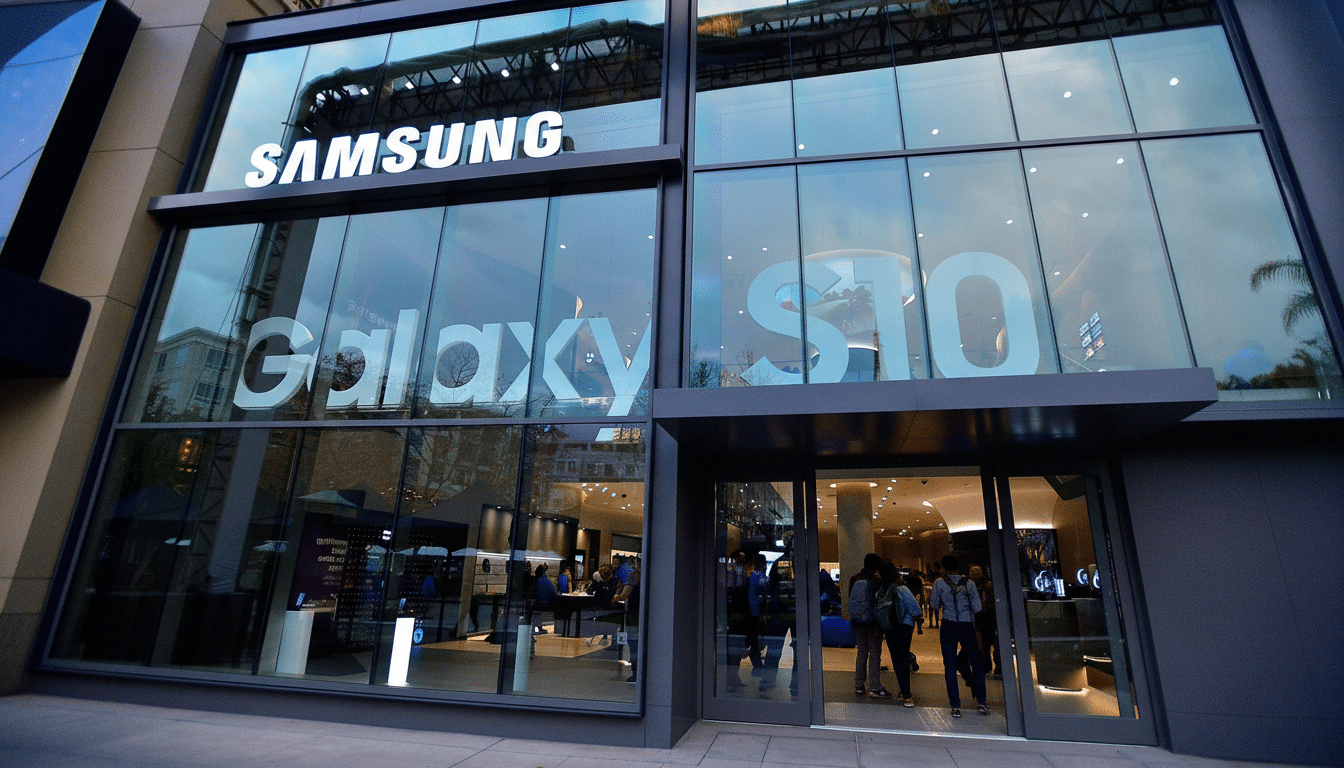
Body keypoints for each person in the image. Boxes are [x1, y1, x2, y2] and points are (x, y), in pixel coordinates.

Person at [929, 555, 987, 718]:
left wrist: (945, 602)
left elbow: (934, 604)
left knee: (950, 665)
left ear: (944, 568)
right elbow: (977, 607)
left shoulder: (940, 583)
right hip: (967, 625)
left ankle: (955, 705)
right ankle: (982, 701)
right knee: (976, 663)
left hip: (948, 625)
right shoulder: (969, 583)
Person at [877, 562, 922, 707]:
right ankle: (907, 694)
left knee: (896, 659)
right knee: (903, 658)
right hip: (904, 627)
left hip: (889, 628)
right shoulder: (902, 589)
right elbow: (916, 610)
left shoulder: (881, 592)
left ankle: (904, 691)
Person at [848, 553, 891, 699]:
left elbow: (850, 599)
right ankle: (875, 687)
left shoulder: (854, 579)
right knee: (874, 654)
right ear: (876, 566)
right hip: (873, 623)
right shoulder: (877, 581)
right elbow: (880, 603)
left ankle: (859, 685)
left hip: (857, 622)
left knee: (861, 652)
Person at [967, 564, 1000, 678]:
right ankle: (997, 668)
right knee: (993, 645)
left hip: (982, 619)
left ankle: (987, 667)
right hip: (991, 619)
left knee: (984, 646)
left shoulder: (975, 587)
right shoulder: (988, 585)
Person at [611, 562, 641, 682]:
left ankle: (636, 672)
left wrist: (615, 597)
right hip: (648, 614)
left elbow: (624, 595)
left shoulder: (633, 576)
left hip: (633, 613)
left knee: (633, 643)